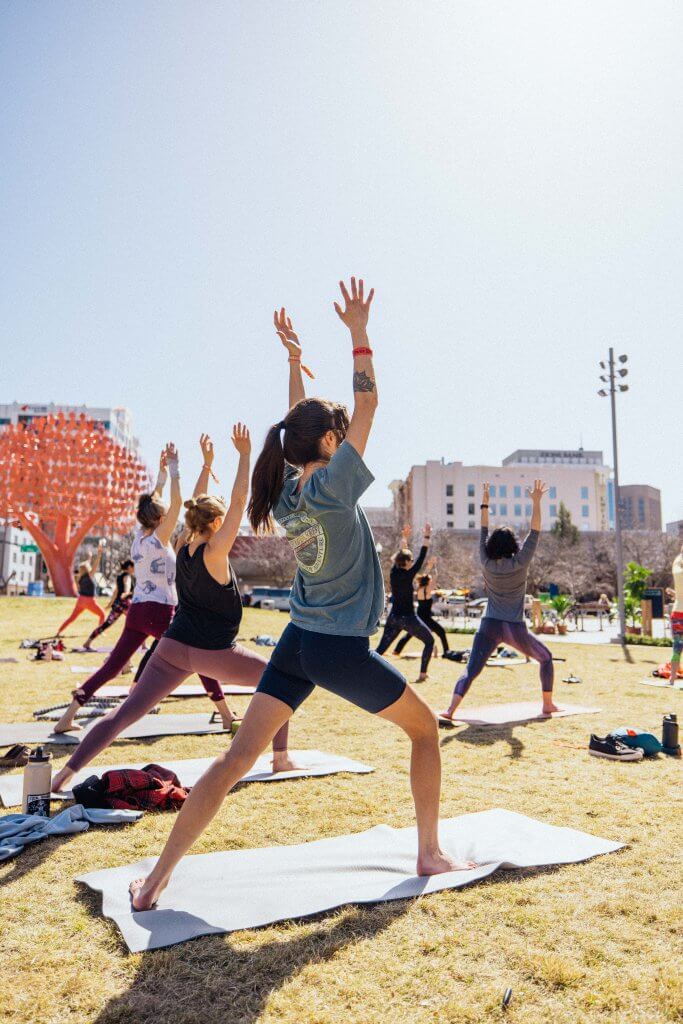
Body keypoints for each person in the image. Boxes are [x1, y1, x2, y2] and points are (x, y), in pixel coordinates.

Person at [128, 278, 476, 911]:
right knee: (426, 733)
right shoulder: (335, 486)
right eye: (335, 435)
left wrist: (293, 363)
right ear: (328, 445)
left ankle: (154, 883)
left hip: (297, 640)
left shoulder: (289, 492)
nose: (345, 438)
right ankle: (428, 851)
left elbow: (299, 426)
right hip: (334, 648)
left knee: (237, 759)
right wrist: (360, 335)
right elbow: (367, 408)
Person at [51, 425, 297, 793]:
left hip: (171, 649)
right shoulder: (214, 552)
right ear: (216, 524)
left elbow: (196, 504)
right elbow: (237, 497)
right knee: (283, 681)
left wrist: (207, 463)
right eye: (222, 520)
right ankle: (280, 757)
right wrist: (245, 456)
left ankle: (63, 775)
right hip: (213, 652)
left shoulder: (182, 544)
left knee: (124, 714)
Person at [52, 444, 235, 734]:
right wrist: (175, 469)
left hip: (137, 610)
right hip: (161, 610)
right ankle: (225, 714)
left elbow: (155, 503)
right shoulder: (161, 537)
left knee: (112, 666)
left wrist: (160, 477)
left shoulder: (139, 537)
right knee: (196, 657)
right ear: (161, 520)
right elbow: (175, 504)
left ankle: (68, 716)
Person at [440, 480, 560, 722]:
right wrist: (536, 502)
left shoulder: (485, 561)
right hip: (513, 628)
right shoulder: (521, 561)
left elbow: (482, 531)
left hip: (489, 625)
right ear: (513, 545)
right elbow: (534, 532)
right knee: (545, 658)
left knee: (471, 670)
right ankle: (548, 705)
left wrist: (485, 502)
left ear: (493, 545)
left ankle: (450, 710)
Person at [375, 524, 434, 680]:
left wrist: (405, 538)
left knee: (380, 649)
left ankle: (362, 673)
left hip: (394, 618)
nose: (413, 561)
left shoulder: (394, 572)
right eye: (411, 560)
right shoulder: (409, 574)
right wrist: (426, 536)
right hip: (408, 619)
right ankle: (423, 674)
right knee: (430, 641)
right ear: (407, 562)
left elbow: (402, 553)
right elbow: (422, 555)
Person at [393, 560, 451, 659]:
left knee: (410, 634)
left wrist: (429, 566)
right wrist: (435, 570)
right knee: (441, 632)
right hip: (425, 618)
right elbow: (434, 579)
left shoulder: (420, 589)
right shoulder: (427, 590)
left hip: (419, 616)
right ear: (428, 582)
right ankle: (446, 652)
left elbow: (424, 576)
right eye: (430, 581)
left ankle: (396, 650)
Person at [82, 558, 135, 650]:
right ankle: (142, 645)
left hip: (118, 604)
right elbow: (127, 585)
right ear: (130, 567)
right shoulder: (127, 576)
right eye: (134, 567)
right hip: (126, 603)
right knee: (138, 623)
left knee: (107, 623)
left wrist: (110, 604)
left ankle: (88, 642)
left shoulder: (119, 577)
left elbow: (116, 592)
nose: (135, 569)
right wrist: (126, 593)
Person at [56, 541, 107, 635]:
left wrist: (89, 558)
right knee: (102, 614)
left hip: (80, 600)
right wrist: (99, 554)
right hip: (89, 601)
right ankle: (100, 631)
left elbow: (85, 565)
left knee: (72, 618)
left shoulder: (79, 577)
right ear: (88, 569)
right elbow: (95, 565)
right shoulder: (90, 575)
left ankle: (59, 632)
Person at [665, 546, 683, 684]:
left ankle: (672, 678)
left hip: (677, 613)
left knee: (677, 647)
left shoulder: (677, 566)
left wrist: (674, 594)